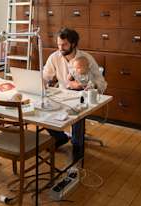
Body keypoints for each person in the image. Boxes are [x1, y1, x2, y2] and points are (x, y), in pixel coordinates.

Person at [43, 28, 107, 162]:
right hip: (62, 93)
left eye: (64, 44)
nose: (60, 48)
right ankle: (60, 138)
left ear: (73, 44)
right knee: (43, 109)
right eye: (58, 44)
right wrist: (40, 84)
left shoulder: (86, 58)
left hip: (82, 95)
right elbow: (45, 76)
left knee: (78, 114)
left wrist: (85, 85)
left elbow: (101, 83)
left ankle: (77, 148)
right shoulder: (54, 57)